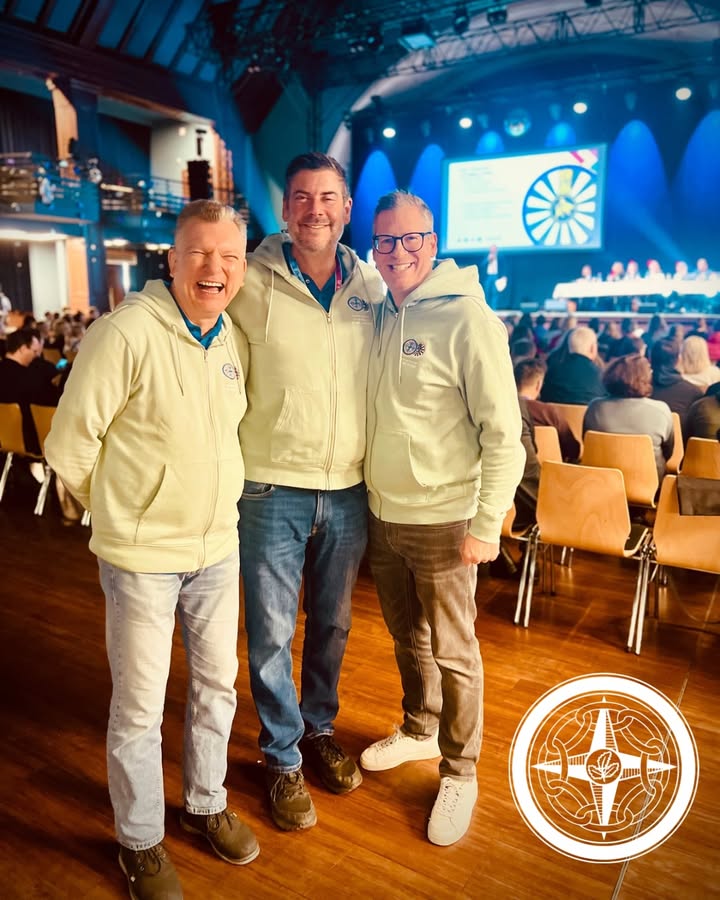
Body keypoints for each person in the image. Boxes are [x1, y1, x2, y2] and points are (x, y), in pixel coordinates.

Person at [45, 200, 258, 900]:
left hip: (217, 548)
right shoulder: (125, 332)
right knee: (139, 707)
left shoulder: (229, 338)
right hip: (142, 558)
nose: (215, 268)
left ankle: (205, 803)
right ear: (172, 259)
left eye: (229, 256)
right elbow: (69, 444)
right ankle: (139, 840)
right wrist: (123, 513)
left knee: (217, 687)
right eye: (200, 252)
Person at [359, 190, 524, 847]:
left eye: (410, 239)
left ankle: (460, 770)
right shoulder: (380, 310)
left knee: (455, 652)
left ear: (433, 243)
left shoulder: (467, 318)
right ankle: (420, 728)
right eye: (385, 241)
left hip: (447, 522)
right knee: (408, 638)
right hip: (384, 513)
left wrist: (487, 522)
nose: (397, 252)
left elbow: (503, 434)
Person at [226, 152, 384, 832]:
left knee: (333, 625)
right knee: (269, 633)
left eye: (327, 197)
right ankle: (281, 755)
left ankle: (318, 728)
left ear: (346, 208)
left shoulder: (372, 286)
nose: (314, 209)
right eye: (301, 197)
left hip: (347, 489)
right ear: (285, 209)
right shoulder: (248, 279)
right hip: (269, 487)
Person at [583, 354, 674, 483]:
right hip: (649, 484)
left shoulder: (595, 407)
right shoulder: (661, 410)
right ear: (646, 378)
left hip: (601, 481)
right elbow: (668, 451)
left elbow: (586, 441)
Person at [0, 327, 58, 454]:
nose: (36, 355)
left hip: (3, 442)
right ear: (22, 349)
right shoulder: (30, 379)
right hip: (31, 442)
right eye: (34, 351)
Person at [514, 357, 580, 461]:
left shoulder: (505, 408)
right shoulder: (548, 412)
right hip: (551, 467)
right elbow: (573, 450)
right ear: (538, 384)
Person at [540, 325, 605, 405]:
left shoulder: (551, 371)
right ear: (592, 348)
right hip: (588, 413)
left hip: (553, 413)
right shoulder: (601, 376)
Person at [650, 338, 703, 437]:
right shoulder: (694, 392)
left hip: (643, 445)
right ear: (678, 360)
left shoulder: (636, 389)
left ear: (650, 359)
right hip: (681, 445)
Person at [480, 243, 508, 309]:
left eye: (494, 249)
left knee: (495, 293)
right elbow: (482, 265)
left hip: (496, 276)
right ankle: (486, 308)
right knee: (487, 292)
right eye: (492, 248)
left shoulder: (500, 256)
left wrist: (504, 276)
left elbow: (504, 266)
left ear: (496, 249)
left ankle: (494, 308)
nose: (493, 250)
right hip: (488, 276)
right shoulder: (486, 255)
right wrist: (488, 259)